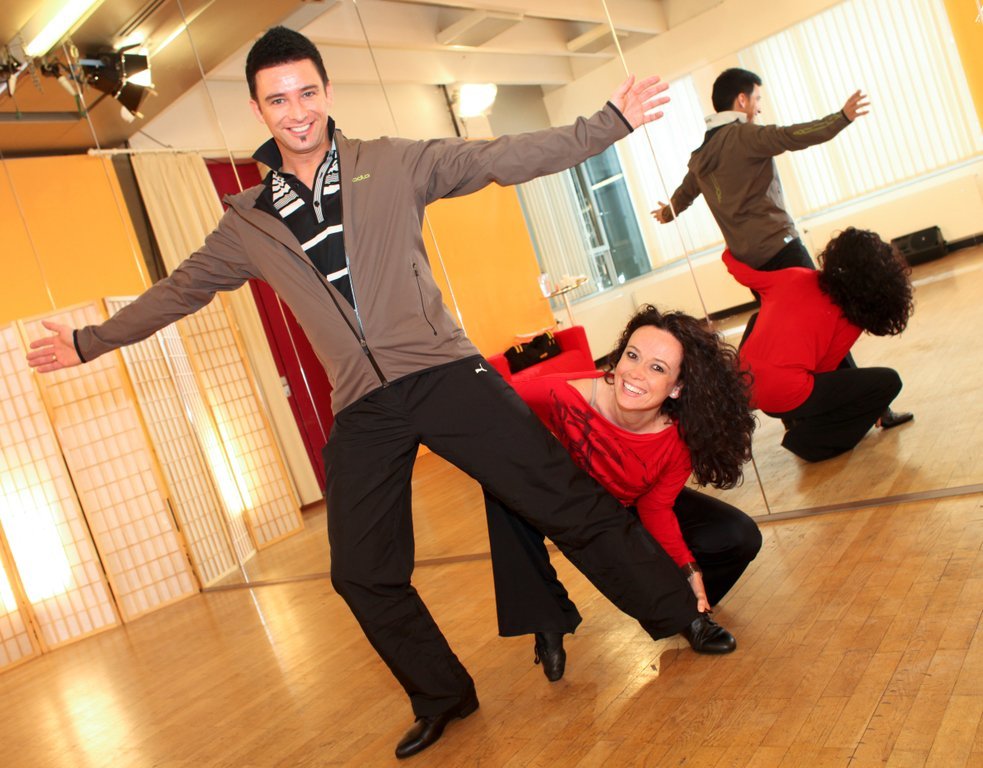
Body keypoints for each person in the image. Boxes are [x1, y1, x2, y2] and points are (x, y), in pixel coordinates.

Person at [26, 26, 706, 760]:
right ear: (257, 109)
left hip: (443, 371)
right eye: (278, 99)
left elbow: (499, 157)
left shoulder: (393, 162)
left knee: (565, 500)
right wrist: (89, 341)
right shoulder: (246, 222)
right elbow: (180, 289)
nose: (296, 111)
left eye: (306, 93)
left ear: (326, 92)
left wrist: (608, 124)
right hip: (361, 403)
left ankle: (680, 616)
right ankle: (443, 696)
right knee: (359, 571)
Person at [485, 306, 761, 681]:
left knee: (739, 535)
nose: (635, 373)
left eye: (657, 368)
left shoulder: (678, 434)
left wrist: (688, 568)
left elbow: (656, 507)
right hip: (568, 502)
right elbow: (489, 403)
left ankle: (685, 607)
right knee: (498, 478)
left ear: (677, 387)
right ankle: (545, 616)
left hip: (629, 503)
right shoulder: (562, 394)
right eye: (632, 355)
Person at [651, 67, 911, 428]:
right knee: (831, 322)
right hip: (783, 250)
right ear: (741, 100)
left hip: (750, 261)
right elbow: (792, 135)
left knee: (781, 334)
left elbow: (685, 192)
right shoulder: (744, 136)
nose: (759, 107)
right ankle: (876, 409)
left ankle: (795, 416)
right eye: (757, 99)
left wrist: (668, 212)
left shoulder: (701, 155)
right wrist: (841, 118)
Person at [723, 227, 915, 462]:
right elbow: (824, 369)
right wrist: (864, 408)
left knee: (757, 317)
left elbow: (742, 273)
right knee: (889, 381)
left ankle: (750, 404)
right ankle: (809, 442)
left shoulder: (795, 275)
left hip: (745, 386)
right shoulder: (852, 317)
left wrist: (730, 249)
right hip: (785, 396)